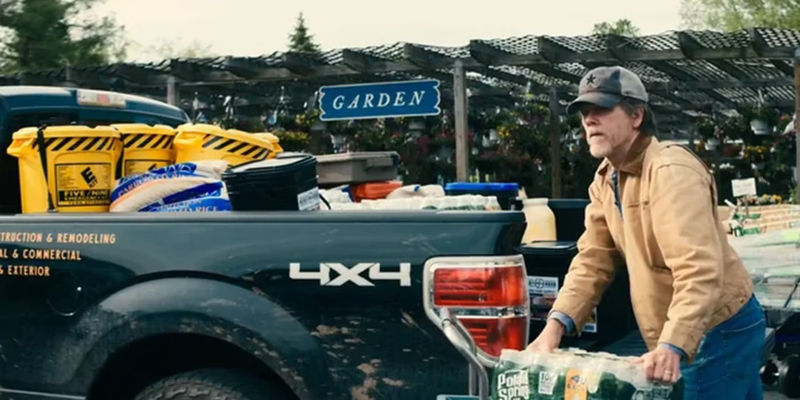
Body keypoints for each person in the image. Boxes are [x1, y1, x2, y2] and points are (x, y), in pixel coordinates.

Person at [525, 65, 765, 399]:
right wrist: (554, 327)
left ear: (636, 115)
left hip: (714, 329)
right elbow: (592, 260)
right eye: (584, 112)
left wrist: (672, 344)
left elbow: (699, 268)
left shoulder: (670, 171)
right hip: (683, 330)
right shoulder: (606, 178)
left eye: (602, 109)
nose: (589, 120)